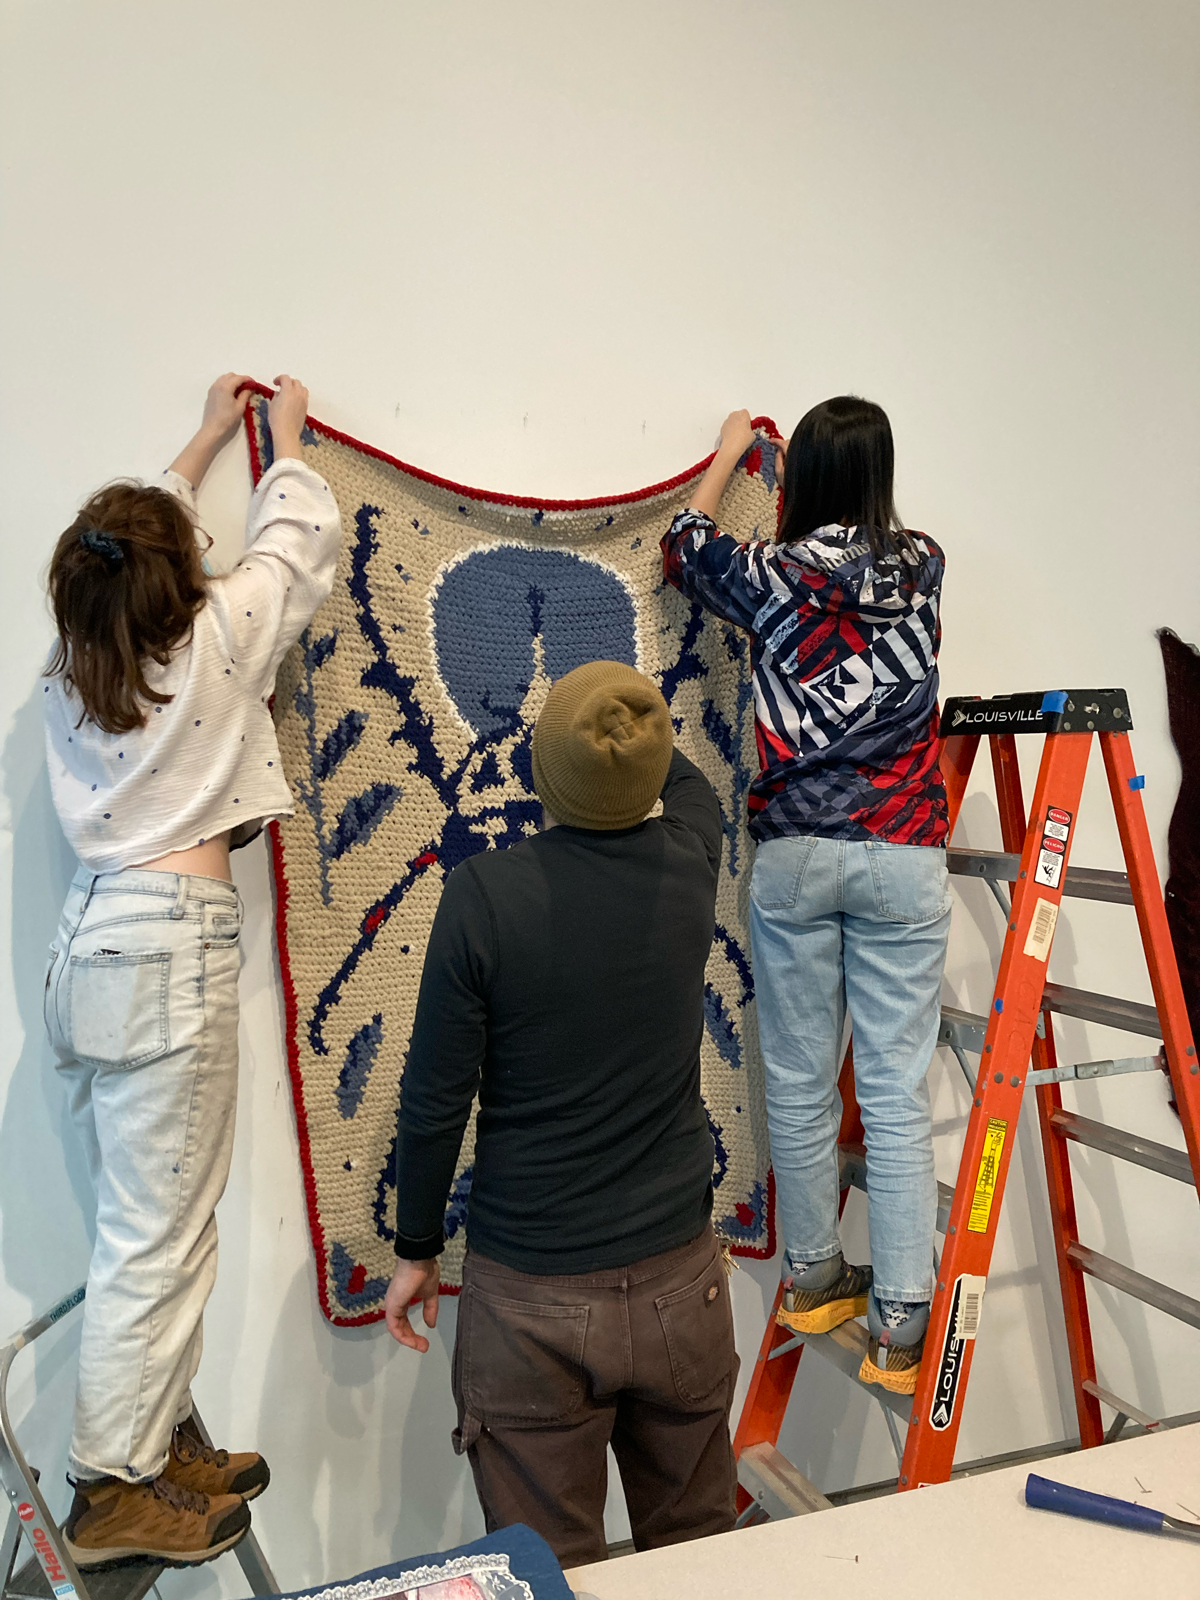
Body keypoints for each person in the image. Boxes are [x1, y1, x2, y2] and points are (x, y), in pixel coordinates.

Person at [42, 373, 341, 1566]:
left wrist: (205, 439)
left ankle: (153, 1438)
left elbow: (130, 549)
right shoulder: (214, 641)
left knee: (152, 1221)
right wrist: (288, 440)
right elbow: (297, 540)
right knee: (158, 1235)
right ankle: (109, 1482)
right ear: (178, 577)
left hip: (101, 933)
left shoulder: (81, 660)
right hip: (171, 944)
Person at [383, 661, 738, 1569]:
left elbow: (434, 1101)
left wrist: (416, 1248)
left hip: (532, 1305)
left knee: (553, 1577)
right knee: (697, 1563)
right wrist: (635, 708)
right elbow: (687, 783)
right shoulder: (694, 861)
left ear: (542, 773)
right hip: (679, 1285)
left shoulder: (483, 898)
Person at [661, 398, 949, 1396]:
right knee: (896, 1090)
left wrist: (730, 454)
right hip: (903, 846)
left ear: (805, 480)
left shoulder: (771, 576)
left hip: (795, 852)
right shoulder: (925, 568)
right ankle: (906, 1320)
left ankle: (817, 1274)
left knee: (795, 1075)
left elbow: (682, 543)